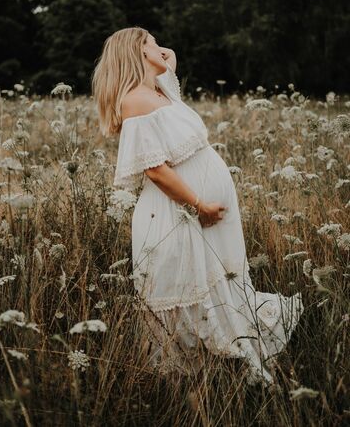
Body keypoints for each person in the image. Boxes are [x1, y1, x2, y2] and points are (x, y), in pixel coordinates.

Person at [91, 26, 304, 387]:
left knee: (218, 281)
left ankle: (227, 366)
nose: (162, 47)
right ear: (138, 52)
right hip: (178, 212)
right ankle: (204, 380)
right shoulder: (135, 100)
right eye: (152, 43)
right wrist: (199, 205)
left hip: (198, 211)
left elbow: (173, 86)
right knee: (192, 283)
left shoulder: (157, 91)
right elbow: (155, 169)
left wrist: (165, 63)